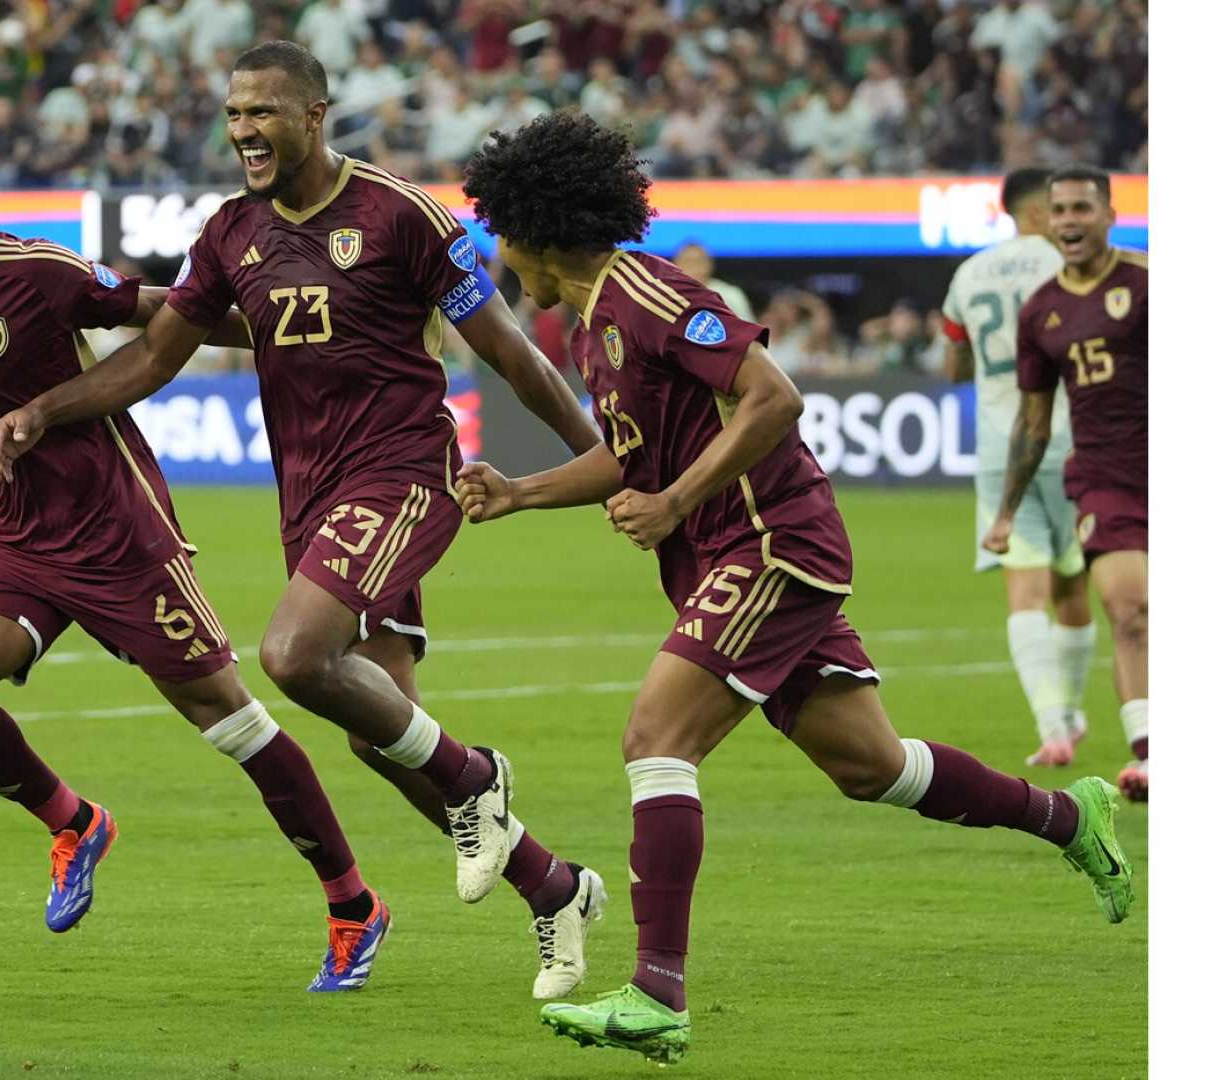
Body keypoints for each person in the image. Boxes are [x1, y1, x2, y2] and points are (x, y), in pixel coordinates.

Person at [454, 111, 1134, 1064]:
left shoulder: (649, 292)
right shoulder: (593, 322)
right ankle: (1073, 817)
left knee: (655, 738)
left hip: (769, 543)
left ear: (535, 223)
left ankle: (657, 992)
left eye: (499, 227)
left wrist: (677, 499)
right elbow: (632, 456)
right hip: (727, 550)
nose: (493, 247)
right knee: (874, 768)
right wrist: (519, 492)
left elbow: (775, 396)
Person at [0, 42, 611, 1000]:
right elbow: (154, 359)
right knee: (378, 730)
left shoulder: (400, 216)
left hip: (403, 473)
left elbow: (515, 357)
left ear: (315, 116)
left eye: (263, 113)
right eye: (234, 114)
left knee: (289, 655)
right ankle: (555, 887)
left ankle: (480, 777)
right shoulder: (230, 231)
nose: (244, 131)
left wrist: (604, 463)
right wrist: (46, 409)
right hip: (311, 497)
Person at [0, 132, 391, 991]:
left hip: (118, 537)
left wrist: (288, 334)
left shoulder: (32, 272)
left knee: (236, 729)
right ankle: (74, 822)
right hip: (14, 541)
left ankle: (353, 905)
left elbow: (160, 313)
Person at [985, 165, 1147, 801]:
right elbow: (1032, 424)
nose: (1070, 222)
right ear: (1047, 221)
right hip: (1106, 477)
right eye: (1060, 211)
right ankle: (1148, 755)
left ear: (1110, 214)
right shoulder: (1043, 311)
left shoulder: (1146, 283)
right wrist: (1006, 512)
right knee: (1128, 610)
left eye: (1083, 208)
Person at [940, 167, 1096, 766]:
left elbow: (954, 366)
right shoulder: (1070, 268)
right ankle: (1074, 709)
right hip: (1078, 438)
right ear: (1040, 213)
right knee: (1073, 583)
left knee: (1024, 592)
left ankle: (1052, 727)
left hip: (1002, 448)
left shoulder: (969, 273)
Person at [671, 241, 754, 323]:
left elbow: (751, 332)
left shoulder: (731, 294)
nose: (695, 267)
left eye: (699, 262)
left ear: (710, 265)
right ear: (675, 266)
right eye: (688, 262)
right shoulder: (667, 296)